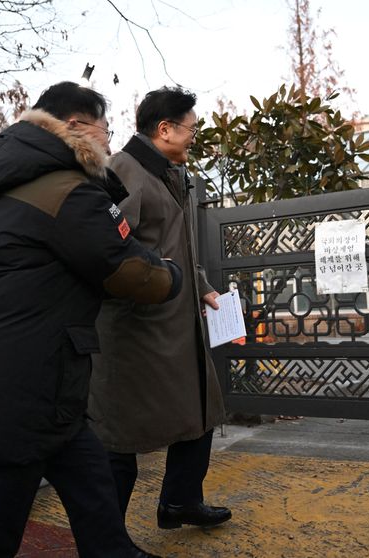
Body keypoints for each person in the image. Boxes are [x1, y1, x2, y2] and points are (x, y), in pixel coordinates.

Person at [0, 82, 181, 558]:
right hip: (16, 393)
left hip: (36, 384)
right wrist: (173, 275)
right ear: (77, 127)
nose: (110, 142)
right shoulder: (68, 191)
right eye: (106, 130)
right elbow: (127, 270)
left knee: (92, 487)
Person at [89, 86, 230, 530]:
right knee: (120, 440)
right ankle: (105, 536)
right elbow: (108, 249)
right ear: (164, 129)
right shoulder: (123, 172)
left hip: (176, 321)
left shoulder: (172, 172)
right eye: (191, 128)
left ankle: (180, 502)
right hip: (137, 331)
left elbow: (175, 243)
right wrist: (159, 280)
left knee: (200, 411)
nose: (194, 137)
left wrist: (202, 286)